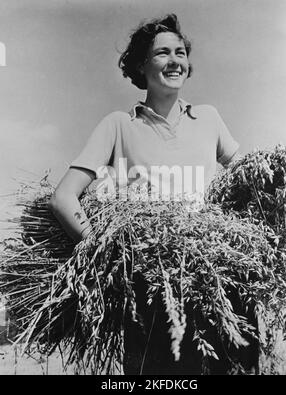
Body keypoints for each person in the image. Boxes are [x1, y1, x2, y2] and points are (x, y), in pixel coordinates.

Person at [49, 14, 242, 374]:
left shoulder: (210, 119)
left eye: (181, 52)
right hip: (148, 292)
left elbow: (250, 180)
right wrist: (103, 247)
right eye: (162, 53)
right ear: (141, 64)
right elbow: (63, 198)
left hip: (215, 285)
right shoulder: (118, 125)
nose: (175, 61)